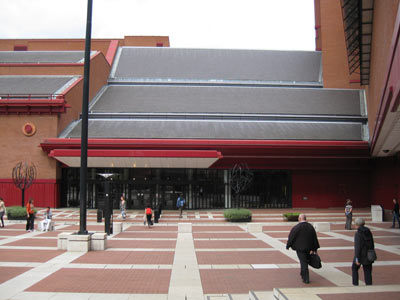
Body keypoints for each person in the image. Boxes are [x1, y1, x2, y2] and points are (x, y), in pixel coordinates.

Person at [286, 214, 320, 284]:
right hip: (309, 248)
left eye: (299, 218)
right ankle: (303, 274)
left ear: (300, 218)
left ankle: (306, 278)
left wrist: (288, 245)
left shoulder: (296, 227)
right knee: (305, 261)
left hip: (300, 248)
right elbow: (314, 238)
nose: (298, 219)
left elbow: (291, 237)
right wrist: (315, 248)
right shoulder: (310, 227)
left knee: (303, 262)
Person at [352, 217, 375, 285]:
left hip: (361, 255)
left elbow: (358, 247)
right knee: (367, 271)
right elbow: (372, 243)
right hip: (368, 254)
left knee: (354, 268)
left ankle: (355, 284)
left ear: (356, 224)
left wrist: (357, 258)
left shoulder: (358, 233)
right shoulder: (368, 231)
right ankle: (369, 284)